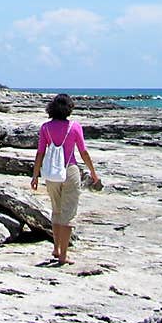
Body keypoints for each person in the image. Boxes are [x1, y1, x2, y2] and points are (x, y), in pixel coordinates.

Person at [30, 92, 100, 265]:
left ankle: (56, 247)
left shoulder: (45, 127)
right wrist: (93, 172)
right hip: (70, 170)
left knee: (56, 210)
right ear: (69, 109)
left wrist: (35, 175)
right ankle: (63, 255)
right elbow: (83, 152)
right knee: (68, 214)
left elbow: (40, 152)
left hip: (52, 173)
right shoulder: (75, 127)